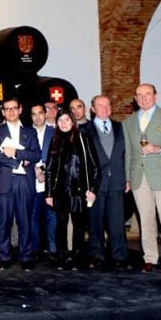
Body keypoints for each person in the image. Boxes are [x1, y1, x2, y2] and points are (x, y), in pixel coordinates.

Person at [122, 83, 161, 276]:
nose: (143, 98)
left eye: (148, 94)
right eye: (139, 95)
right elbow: (128, 153)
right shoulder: (128, 122)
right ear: (135, 98)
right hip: (139, 178)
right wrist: (128, 177)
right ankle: (150, 258)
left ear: (156, 96)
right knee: (146, 222)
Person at [45, 110, 100, 269]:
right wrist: (49, 193)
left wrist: (92, 189)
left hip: (79, 191)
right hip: (60, 191)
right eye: (60, 120)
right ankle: (61, 257)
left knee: (79, 225)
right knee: (60, 225)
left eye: (66, 119)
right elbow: (49, 169)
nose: (63, 123)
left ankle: (76, 257)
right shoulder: (54, 140)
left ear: (73, 121)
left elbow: (95, 167)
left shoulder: (83, 139)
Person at [0, 98, 41, 270]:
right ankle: (3, 256)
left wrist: (17, 153)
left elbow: (36, 155)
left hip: (24, 184)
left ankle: (26, 256)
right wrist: (20, 162)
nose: (11, 112)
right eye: (7, 109)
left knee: (24, 220)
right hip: (4, 183)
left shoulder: (30, 132)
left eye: (14, 108)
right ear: (3, 112)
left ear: (20, 110)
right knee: (4, 221)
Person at [84, 95, 129, 269]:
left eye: (108, 105)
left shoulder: (121, 128)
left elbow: (127, 154)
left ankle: (119, 255)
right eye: (100, 105)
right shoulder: (84, 130)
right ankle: (96, 254)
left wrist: (128, 177)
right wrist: (86, 184)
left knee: (117, 221)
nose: (105, 108)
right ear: (93, 108)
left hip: (117, 181)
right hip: (95, 184)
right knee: (95, 221)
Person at [30, 104, 57, 261]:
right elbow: (23, 153)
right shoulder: (26, 132)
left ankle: (52, 249)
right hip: (31, 181)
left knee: (51, 217)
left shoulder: (54, 132)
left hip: (49, 182)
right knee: (33, 217)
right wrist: (35, 170)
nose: (38, 117)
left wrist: (44, 170)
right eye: (34, 114)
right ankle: (35, 250)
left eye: (40, 113)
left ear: (45, 114)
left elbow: (57, 156)